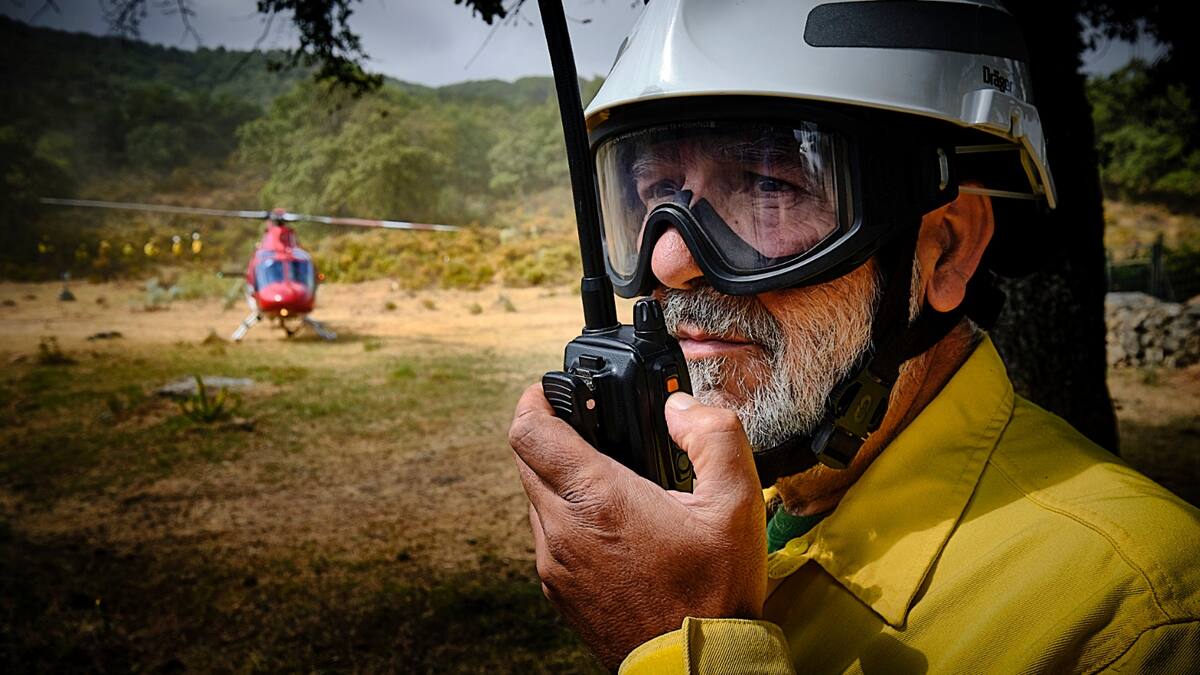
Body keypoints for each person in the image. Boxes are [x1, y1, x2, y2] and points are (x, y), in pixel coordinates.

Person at [508, 0, 1200, 672]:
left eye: (768, 184)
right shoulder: (767, 496)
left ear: (947, 248)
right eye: (652, 191)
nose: (669, 262)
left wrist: (677, 639)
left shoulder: (1138, 621)